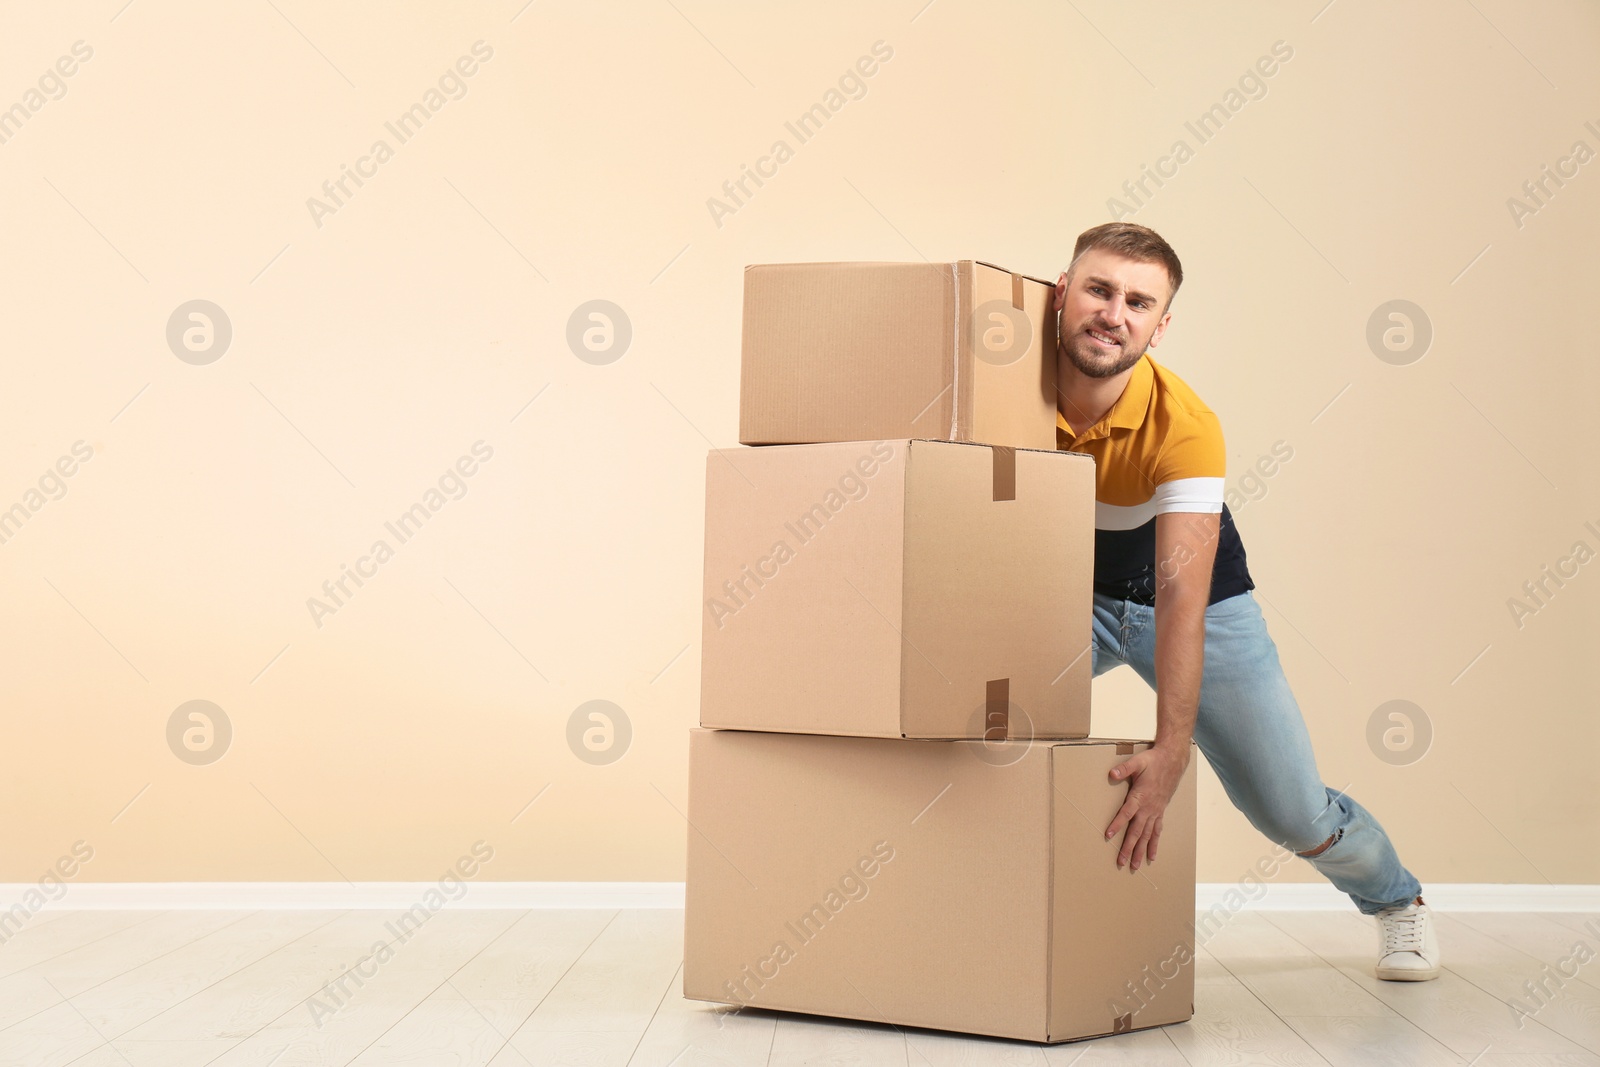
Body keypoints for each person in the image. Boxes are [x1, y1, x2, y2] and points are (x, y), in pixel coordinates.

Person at [1055, 221, 1439, 981]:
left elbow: (1180, 602)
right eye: (1098, 289)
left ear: (1159, 327)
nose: (1113, 313)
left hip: (1197, 607)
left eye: (1138, 302)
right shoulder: (1000, 384)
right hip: (1070, 594)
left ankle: (1398, 902)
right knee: (957, 705)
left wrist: (1170, 754)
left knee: (1291, 812)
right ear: (1061, 293)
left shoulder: (1187, 430)